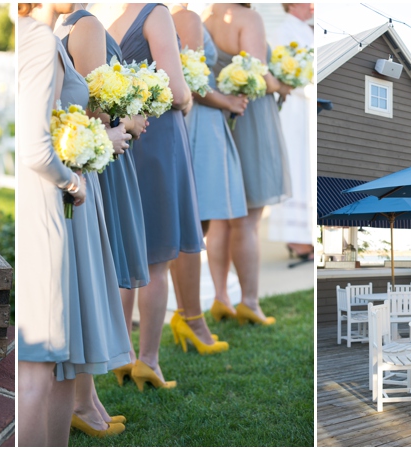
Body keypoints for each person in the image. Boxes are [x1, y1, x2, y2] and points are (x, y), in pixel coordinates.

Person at [92, 2, 204, 390]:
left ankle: (122, 356)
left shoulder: (115, 21)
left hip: (128, 146)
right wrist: (190, 97)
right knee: (157, 259)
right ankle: (149, 361)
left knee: (130, 254)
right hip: (159, 141)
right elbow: (174, 88)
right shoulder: (155, 13)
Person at [53, 3, 138, 437]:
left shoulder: (64, 24)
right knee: (85, 282)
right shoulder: (84, 25)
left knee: (86, 282)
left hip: (80, 160)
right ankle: (81, 403)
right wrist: (127, 119)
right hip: (81, 164)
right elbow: (92, 110)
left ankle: (88, 398)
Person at [16, 3, 86, 446]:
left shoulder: (21, 34)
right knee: (36, 373)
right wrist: (73, 181)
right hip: (42, 205)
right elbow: (36, 149)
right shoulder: (40, 40)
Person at [203, 3, 295, 326]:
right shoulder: (249, 19)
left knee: (221, 219)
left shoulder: (208, 19)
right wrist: (283, 85)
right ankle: (250, 302)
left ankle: (220, 298)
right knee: (246, 221)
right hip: (250, 119)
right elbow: (259, 74)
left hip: (219, 120)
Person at [167, 3, 240, 354]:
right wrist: (227, 101)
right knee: (195, 227)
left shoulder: (180, 17)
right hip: (198, 124)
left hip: (201, 124)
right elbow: (191, 83)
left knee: (196, 225)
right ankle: (191, 317)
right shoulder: (187, 18)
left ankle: (186, 314)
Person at [267, 3, 315, 262]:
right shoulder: (282, 31)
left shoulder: (306, 31)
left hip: (307, 107)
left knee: (307, 170)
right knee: (296, 167)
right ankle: (295, 236)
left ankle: (305, 233)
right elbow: (282, 73)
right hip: (294, 107)